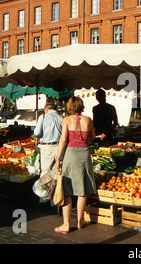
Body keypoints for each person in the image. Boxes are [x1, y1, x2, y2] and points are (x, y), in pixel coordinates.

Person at [54, 96, 96, 233]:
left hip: (70, 154)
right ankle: (79, 221)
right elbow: (93, 137)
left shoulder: (67, 120)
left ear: (70, 106)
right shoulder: (88, 120)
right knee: (82, 190)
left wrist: (58, 158)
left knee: (67, 190)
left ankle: (66, 224)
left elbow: (63, 140)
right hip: (84, 153)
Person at [33, 102, 64, 179]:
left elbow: (37, 133)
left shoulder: (43, 117)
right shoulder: (62, 118)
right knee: (57, 171)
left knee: (45, 172)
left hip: (47, 148)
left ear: (46, 109)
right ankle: (56, 190)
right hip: (59, 147)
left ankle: (44, 189)